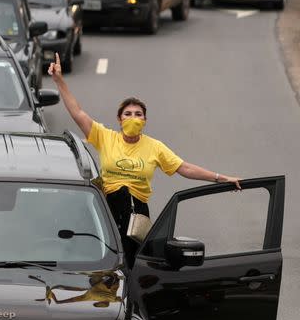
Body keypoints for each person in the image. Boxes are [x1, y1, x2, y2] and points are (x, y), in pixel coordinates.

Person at [47, 53, 241, 267]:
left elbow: (184, 168)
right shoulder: (105, 137)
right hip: (108, 210)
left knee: (133, 265)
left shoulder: (154, 147)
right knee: (104, 263)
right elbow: (78, 113)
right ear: (119, 119)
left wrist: (221, 178)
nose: (133, 118)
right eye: (127, 114)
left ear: (145, 120)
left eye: (138, 114)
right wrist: (59, 81)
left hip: (137, 216)